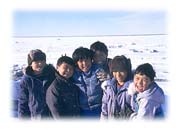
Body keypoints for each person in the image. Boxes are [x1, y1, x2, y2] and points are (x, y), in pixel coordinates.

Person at [18, 49, 56, 119]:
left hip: (53, 115)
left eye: (42, 61)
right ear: (30, 63)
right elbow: (23, 101)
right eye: (36, 61)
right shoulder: (26, 80)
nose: (40, 64)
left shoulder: (52, 75)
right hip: (37, 116)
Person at [72, 47, 103, 118]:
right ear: (76, 63)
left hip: (98, 108)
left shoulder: (98, 70)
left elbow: (106, 80)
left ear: (91, 60)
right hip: (82, 110)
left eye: (87, 60)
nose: (85, 63)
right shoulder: (73, 73)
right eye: (81, 61)